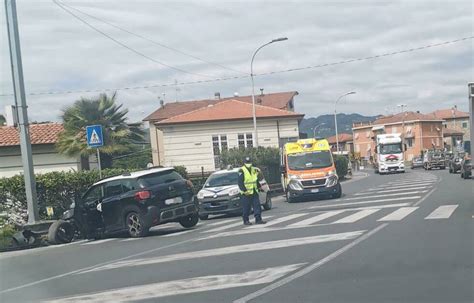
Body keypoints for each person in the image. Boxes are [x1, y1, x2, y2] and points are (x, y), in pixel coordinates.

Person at [238, 156, 267, 226]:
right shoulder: (241, 170)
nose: (249, 164)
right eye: (247, 162)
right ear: (244, 163)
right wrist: (244, 191)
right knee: (246, 208)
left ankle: (258, 219)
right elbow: (240, 182)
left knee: (257, 206)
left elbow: (255, 180)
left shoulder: (254, 169)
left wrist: (259, 187)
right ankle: (246, 220)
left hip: (254, 191)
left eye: (249, 162)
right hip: (246, 193)